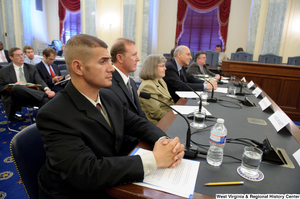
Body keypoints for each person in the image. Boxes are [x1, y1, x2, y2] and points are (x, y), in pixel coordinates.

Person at [36, 34, 185, 198]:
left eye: (109, 60)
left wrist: (164, 143)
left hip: (108, 178)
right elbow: (86, 173)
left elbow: (137, 124)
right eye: (103, 62)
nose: (112, 68)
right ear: (78, 67)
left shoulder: (108, 96)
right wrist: (154, 160)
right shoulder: (53, 114)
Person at [0, 47, 55, 121]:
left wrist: (47, 89)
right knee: (16, 87)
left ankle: (43, 121)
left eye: (22, 54)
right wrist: (14, 84)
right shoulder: (3, 71)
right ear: (11, 57)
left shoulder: (31, 68)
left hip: (31, 95)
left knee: (46, 100)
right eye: (18, 55)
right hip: (15, 98)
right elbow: (1, 88)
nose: (21, 57)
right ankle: (44, 95)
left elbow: (39, 80)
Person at [106, 38, 145, 118]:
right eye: (134, 55)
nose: (138, 59)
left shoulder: (131, 82)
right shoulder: (108, 83)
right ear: (120, 58)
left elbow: (139, 112)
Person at [138, 54, 174, 124]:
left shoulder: (161, 80)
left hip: (167, 116)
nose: (165, 68)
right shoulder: (148, 86)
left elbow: (169, 101)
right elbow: (156, 113)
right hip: (158, 123)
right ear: (152, 68)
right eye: (162, 66)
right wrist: (174, 117)